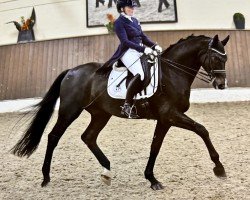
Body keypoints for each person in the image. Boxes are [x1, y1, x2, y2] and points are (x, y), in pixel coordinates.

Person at [96, 0, 162, 119]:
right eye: (129, 7)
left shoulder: (135, 21)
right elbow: (125, 41)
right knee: (140, 74)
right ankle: (127, 105)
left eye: (133, 7)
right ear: (122, 9)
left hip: (139, 51)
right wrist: (143, 50)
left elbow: (143, 37)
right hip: (127, 52)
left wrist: (154, 46)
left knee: (151, 68)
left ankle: (146, 99)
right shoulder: (119, 22)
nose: (132, 9)